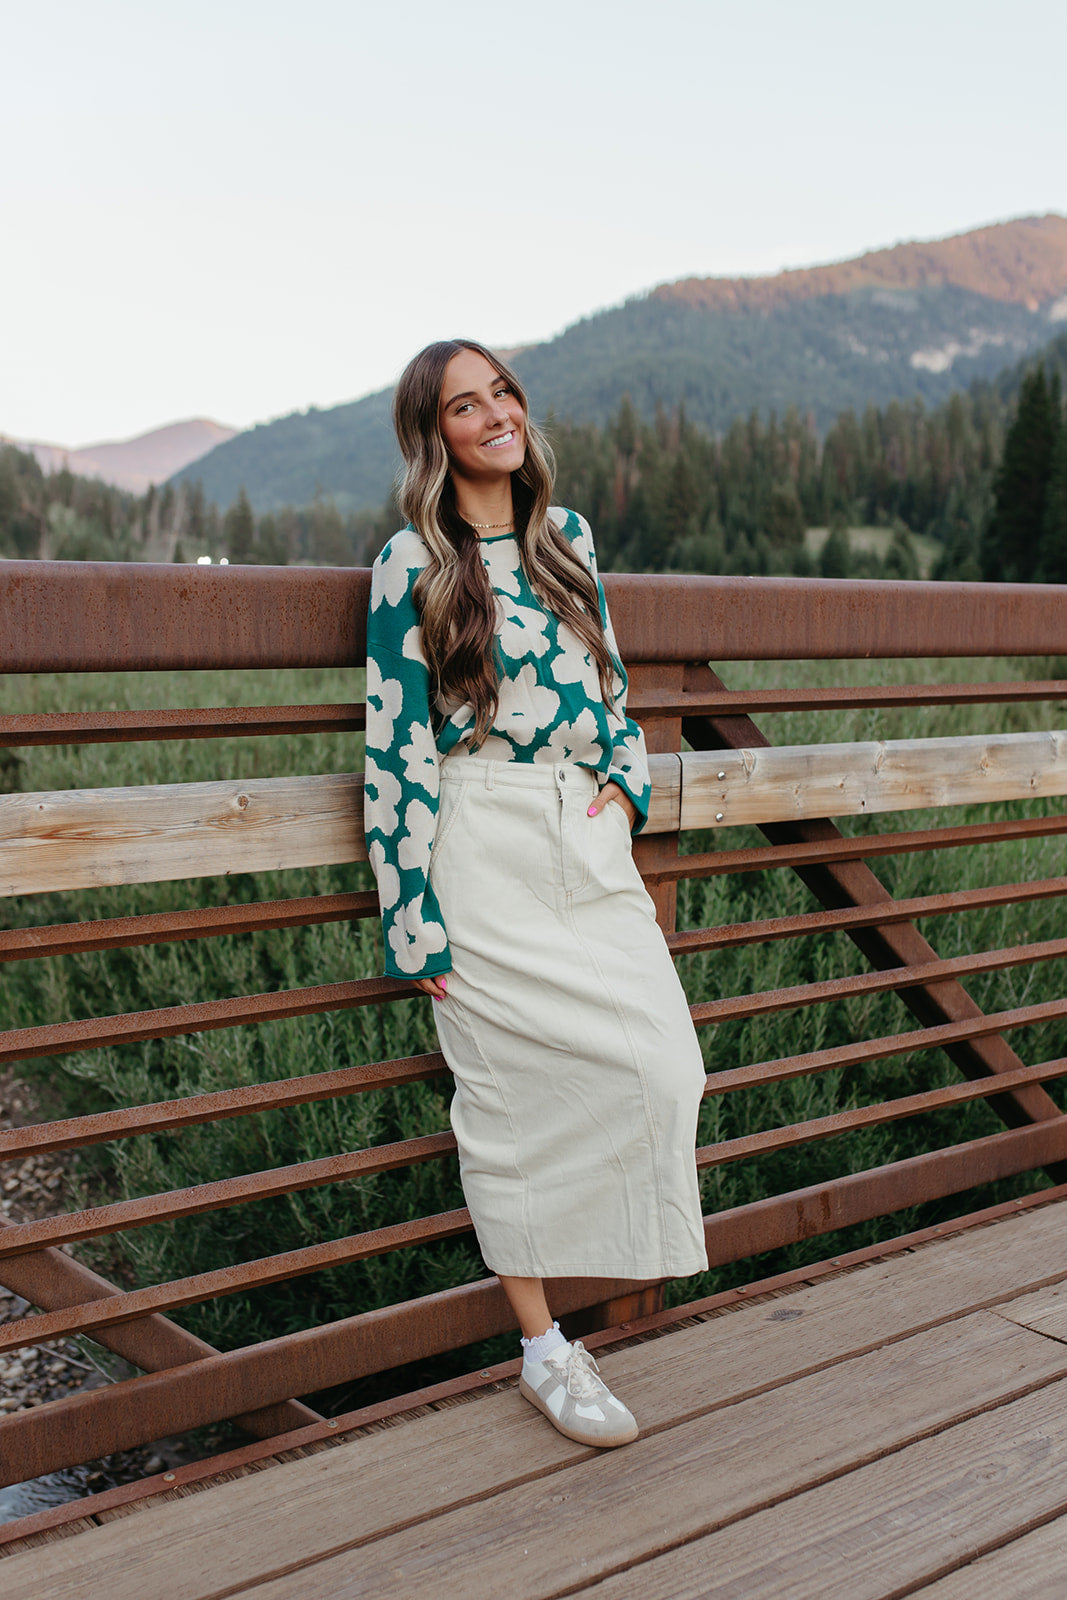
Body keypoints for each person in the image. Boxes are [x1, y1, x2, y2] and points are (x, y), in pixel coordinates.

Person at [364, 338, 708, 1449]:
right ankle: (543, 1349)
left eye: (501, 392)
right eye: (465, 406)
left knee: (664, 1062)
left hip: (584, 834)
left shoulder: (568, 541)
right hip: (479, 843)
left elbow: (611, 685)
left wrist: (623, 788)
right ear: (436, 435)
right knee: (503, 1100)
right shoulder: (408, 563)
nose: (494, 415)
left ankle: (602, 1287)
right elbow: (393, 748)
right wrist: (412, 915)